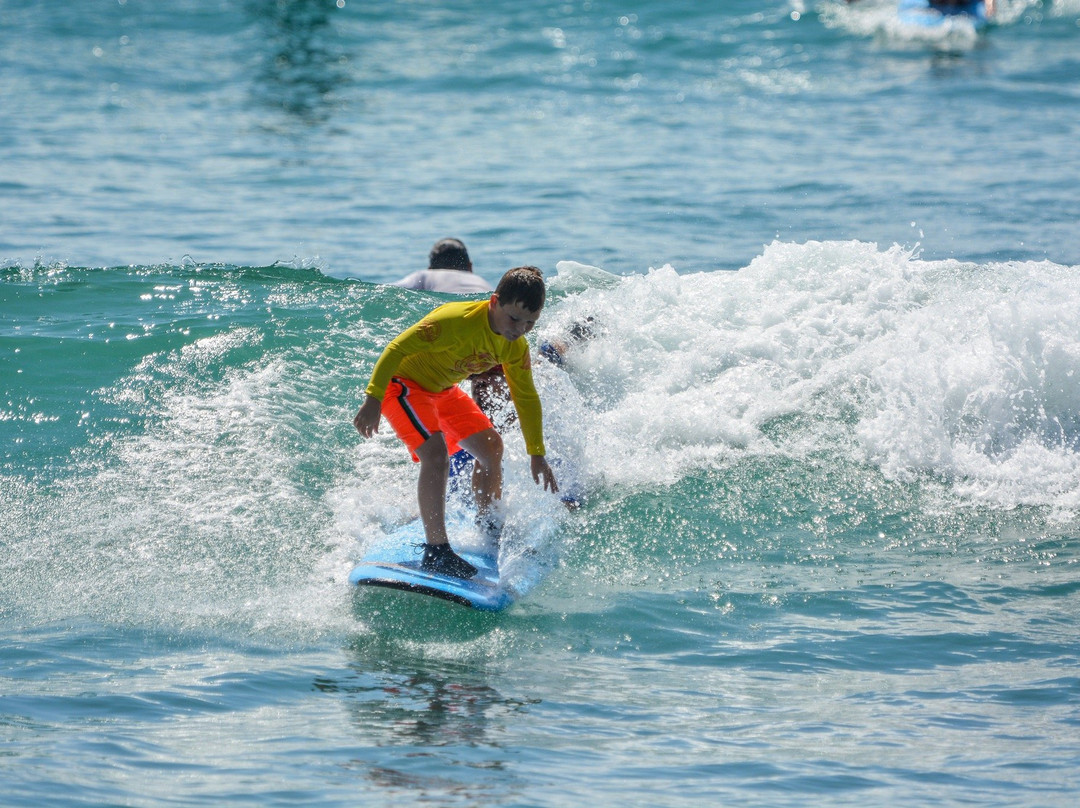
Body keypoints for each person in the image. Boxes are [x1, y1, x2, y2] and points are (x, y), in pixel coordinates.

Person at [354, 266, 559, 579]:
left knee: (491, 447)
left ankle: (488, 526)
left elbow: (527, 398)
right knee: (436, 456)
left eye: (530, 323)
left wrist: (537, 452)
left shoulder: (515, 347)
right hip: (403, 386)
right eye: (514, 318)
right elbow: (397, 348)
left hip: (442, 391)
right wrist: (373, 398)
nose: (519, 328)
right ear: (494, 302)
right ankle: (437, 551)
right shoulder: (454, 321)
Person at [392, 238, 493, 294]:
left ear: (430, 269)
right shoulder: (482, 282)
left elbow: (388, 291)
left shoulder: (425, 276)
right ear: (470, 267)